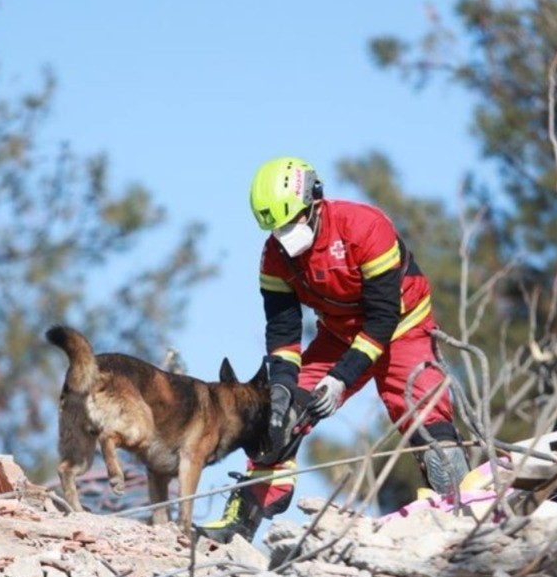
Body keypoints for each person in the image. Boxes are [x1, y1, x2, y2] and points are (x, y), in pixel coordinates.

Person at [197, 156, 471, 544]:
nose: (285, 234)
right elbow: (283, 328)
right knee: (277, 414)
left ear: (315, 202)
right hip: (338, 334)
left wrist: (341, 379)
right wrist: (283, 388)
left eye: (292, 222)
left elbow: (382, 317)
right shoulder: (274, 256)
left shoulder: (365, 228)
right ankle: (244, 516)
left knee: (427, 416)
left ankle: (461, 515)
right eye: (277, 227)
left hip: (404, 327)